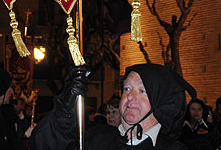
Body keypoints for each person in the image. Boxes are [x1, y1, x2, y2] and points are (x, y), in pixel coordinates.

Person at [31, 63, 196, 150]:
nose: (130, 96)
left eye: (142, 91)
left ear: (161, 102)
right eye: (127, 88)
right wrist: (65, 111)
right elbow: (46, 146)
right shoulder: (97, 138)